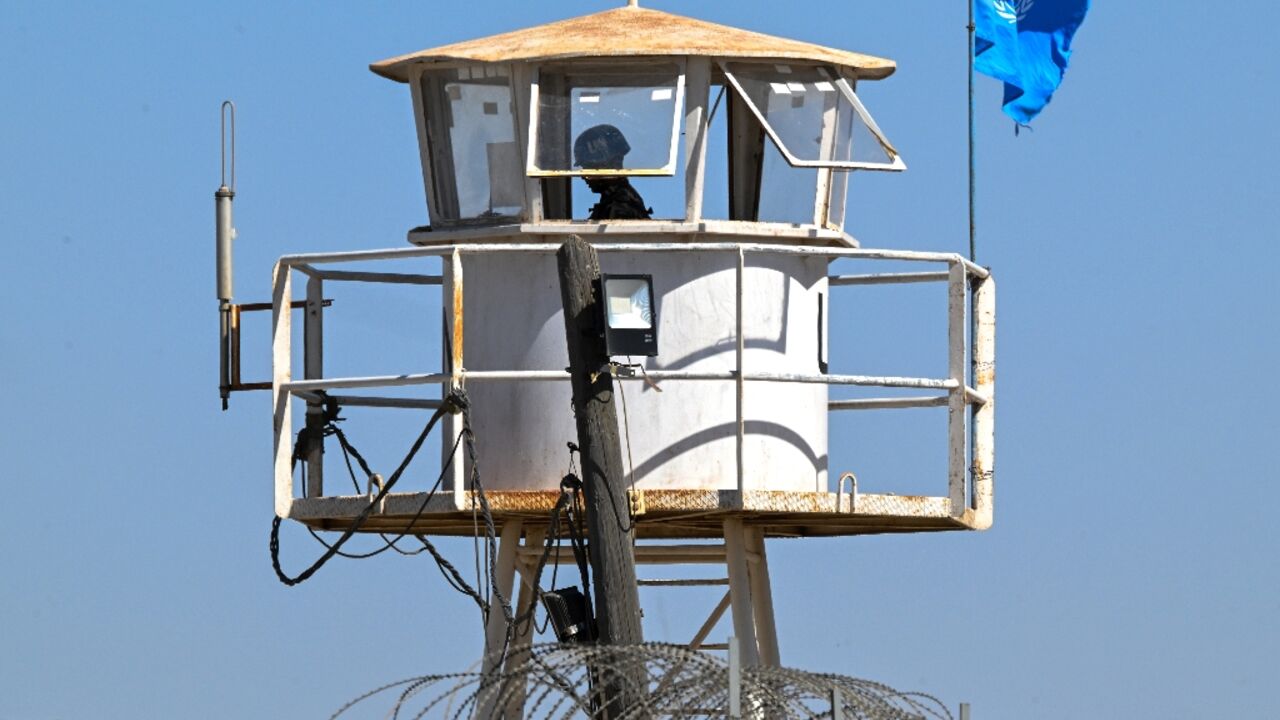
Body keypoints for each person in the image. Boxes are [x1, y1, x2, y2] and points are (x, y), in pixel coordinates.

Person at [573, 124, 653, 221]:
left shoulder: (621, 204)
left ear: (606, 164)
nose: (583, 176)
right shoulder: (618, 198)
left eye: (588, 167)